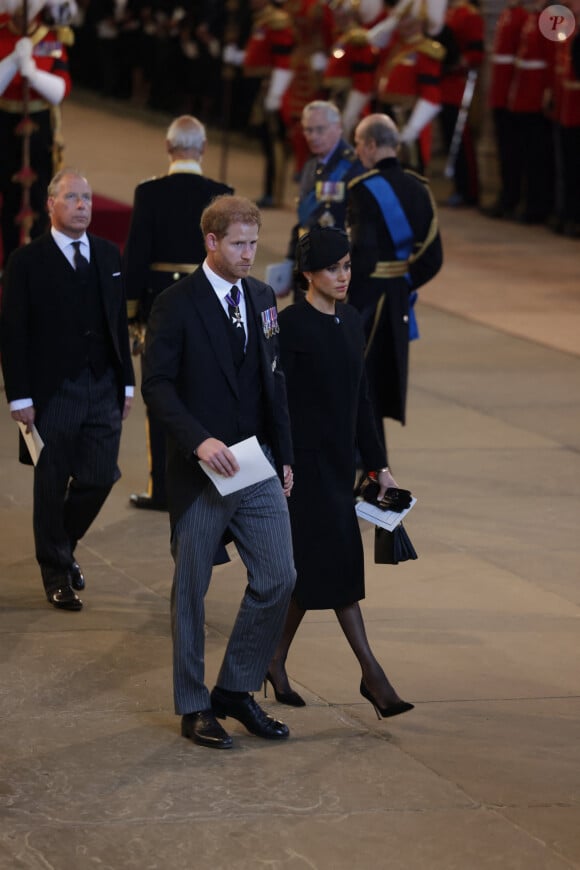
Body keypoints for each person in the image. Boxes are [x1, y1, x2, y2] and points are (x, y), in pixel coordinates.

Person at [141, 194, 296, 750]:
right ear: (211, 241)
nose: (249, 254)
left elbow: (273, 381)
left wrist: (285, 457)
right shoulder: (175, 304)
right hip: (201, 471)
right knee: (192, 591)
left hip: (255, 465)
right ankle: (193, 704)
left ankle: (235, 687)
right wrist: (199, 442)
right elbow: (157, 386)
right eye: (238, 244)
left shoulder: (260, 297)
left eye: (254, 243)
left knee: (280, 576)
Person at [266, 225, 414, 720]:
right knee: (340, 566)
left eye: (347, 266)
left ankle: (274, 657)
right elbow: (275, 402)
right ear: (309, 273)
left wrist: (381, 469)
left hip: (338, 467)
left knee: (312, 571)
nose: (343, 275)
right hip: (299, 469)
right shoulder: (290, 326)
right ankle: (374, 676)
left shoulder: (351, 321)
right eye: (333, 268)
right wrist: (279, 462)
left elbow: (362, 404)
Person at [0, 168, 135, 611]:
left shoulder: (106, 254)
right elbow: (13, 333)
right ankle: (56, 571)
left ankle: (62, 544)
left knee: (99, 476)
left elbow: (118, 322)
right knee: (51, 481)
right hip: (52, 392)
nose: (83, 206)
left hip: (103, 385)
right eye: (73, 197)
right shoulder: (26, 262)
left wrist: (128, 381)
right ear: (51, 204)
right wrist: (19, 396)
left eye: (88, 198)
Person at [123, 114, 233, 511]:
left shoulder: (149, 193)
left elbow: (136, 257)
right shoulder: (223, 191)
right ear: (202, 149)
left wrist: (133, 314)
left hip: (160, 305)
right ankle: (213, 475)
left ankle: (163, 489)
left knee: (162, 392)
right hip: (211, 301)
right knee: (210, 390)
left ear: (168, 148)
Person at [347, 113, 443, 450]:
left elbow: (361, 255)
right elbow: (433, 258)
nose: (357, 151)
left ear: (372, 145)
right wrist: (401, 283)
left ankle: (370, 466)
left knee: (360, 385)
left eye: (359, 144)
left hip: (365, 302)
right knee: (381, 381)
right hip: (398, 302)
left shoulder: (362, 191)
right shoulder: (420, 189)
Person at [0, 0, 74, 269]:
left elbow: (61, 88)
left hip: (41, 125)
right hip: (5, 123)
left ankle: (36, 263)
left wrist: (31, 72)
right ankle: (9, 260)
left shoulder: (50, 39)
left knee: (42, 193)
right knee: (8, 194)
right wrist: (11, 62)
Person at [283, 100, 361, 295]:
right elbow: (304, 221)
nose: (312, 136)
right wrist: (290, 262)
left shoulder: (354, 168)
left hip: (337, 274)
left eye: (320, 129)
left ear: (338, 128)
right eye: (308, 130)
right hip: (310, 268)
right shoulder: (311, 165)